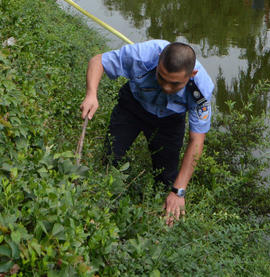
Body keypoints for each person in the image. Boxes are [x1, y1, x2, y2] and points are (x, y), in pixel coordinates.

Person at [80, 40, 214, 224]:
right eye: (162, 77)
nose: (166, 87)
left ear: (192, 75)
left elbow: (196, 140)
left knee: (166, 180)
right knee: (111, 157)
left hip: (169, 121)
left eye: (175, 84)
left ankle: (159, 220)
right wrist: (91, 94)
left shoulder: (201, 89)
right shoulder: (141, 56)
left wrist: (178, 191)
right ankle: (101, 204)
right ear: (158, 60)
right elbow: (99, 61)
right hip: (133, 107)